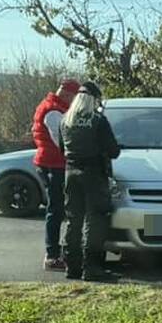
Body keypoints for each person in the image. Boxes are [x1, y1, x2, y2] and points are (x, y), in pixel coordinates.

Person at [60, 81, 121, 282]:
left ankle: (72, 266)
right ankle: (92, 267)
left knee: (73, 220)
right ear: (94, 100)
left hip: (71, 173)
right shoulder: (98, 120)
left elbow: (61, 149)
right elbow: (113, 151)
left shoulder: (65, 120)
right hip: (94, 174)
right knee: (95, 221)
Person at [32, 78, 81, 271]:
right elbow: (60, 140)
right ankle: (52, 255)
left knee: (57, 208)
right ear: (69, 95)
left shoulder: (51, 106)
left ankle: (54, 251)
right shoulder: (53, 110)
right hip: (53, 165)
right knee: (56, 209)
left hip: (52, 163)